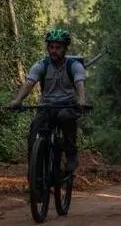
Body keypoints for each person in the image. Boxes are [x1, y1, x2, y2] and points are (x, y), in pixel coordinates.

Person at [8, 28, 90, 179]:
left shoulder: (74, 65)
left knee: (66, 117)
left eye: (58, 47)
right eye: (51, 47)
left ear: (65, 49)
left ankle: (71, 152)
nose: (54, 51)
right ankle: (35, 178)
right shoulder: (41, 65)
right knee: (34, 132)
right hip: (46, 106)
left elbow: (79, 83)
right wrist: (17, 101)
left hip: (67, 105)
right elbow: (29, 83)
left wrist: (82, 100)